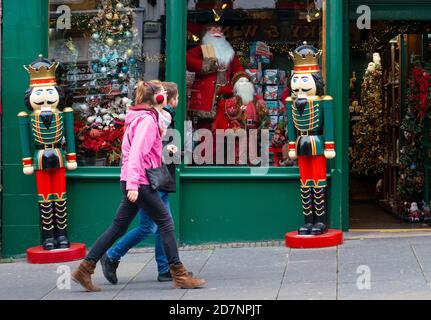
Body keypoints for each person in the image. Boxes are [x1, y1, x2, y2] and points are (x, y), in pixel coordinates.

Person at [72, 80, 206, 291]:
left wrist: (163, 149)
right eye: (161, 93)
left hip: (134, 180)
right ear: (156, 98)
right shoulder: (146, 121)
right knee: (166, 223)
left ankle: (84, 269)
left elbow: (145, 151)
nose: (164, 96)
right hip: (140, 182)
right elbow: (135, 154)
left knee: (118, 227)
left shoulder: (146, 118)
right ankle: (179, 275)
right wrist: (134, 186)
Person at [100, 82, 190, 284]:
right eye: (173, 96)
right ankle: (112, 256)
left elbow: (156, 147)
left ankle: (164, 268)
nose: (176, 101)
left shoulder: (159, 116)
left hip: (154, 177)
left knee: (157, 225)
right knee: (155, 225)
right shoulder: (158, 117)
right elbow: (141, 151)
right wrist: (133, 184)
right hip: (150, 178)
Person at [186, 24, 244, 130]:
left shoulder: (229, 53)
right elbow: (188, 59)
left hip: (225, 99)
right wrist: (206, 65)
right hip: (205, 99)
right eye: (213, 30)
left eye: (220, 30)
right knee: (204, 130)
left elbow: (238, 69)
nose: (217, 31)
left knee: (224, 127)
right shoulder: (201, 49)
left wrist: (242, 80)